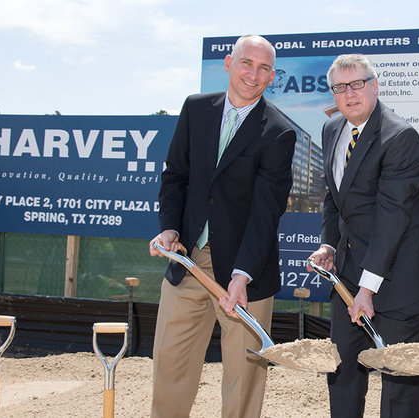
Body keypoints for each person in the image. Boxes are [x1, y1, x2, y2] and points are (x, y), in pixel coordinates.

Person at [148, 35, 296, 418]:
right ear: (229, 63)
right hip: (188, 264)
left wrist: (242, 275)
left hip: (247, 274)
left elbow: (267, 212)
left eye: (264, 68)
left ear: (272, 77)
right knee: (170, 363)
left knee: (244, 375)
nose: (254, 74)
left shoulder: (278, 131)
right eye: (247, 63)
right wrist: (170, 230)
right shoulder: (196, 110)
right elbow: (175, 176)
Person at [307, 54, 419, 418]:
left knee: (399, 385)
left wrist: (367, 289)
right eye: (340, 87)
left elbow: (391, 219)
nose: (349, 94)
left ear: (375, 85)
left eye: (357, 84)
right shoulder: (332, 129)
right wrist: (328, 243)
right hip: (350, 277)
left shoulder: (401, 138)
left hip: (404, 281)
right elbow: (333, 199)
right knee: (343, 373)